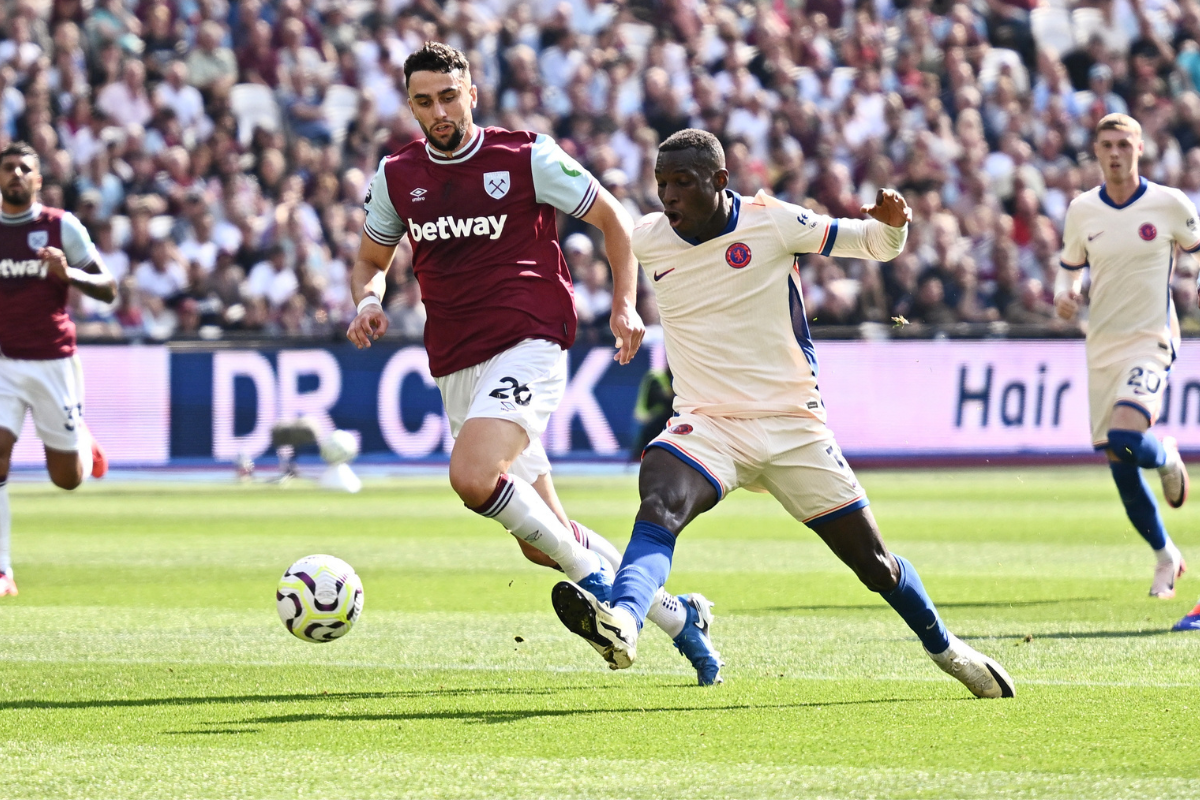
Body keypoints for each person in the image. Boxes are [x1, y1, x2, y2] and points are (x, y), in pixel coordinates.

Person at [551, 129, 1015, 699]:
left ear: (720, 182)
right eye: (661, 184)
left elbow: (875, 244)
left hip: (793, 426)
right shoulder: (649, 236)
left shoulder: (773, 222)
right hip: (710, 423)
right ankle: (623, 621)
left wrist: (894, 224)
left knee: (875, 565)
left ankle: (950, 652)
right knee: (659, 500)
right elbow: (612, 233)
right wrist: (621, 304)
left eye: (682, 184)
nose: (668, 196)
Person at [345, 43, 723, 684]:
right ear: (410, 105)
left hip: (530, 340)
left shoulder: (525, 157)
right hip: (456, 363)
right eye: (423, 101)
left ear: (471, 92)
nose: (438, 112)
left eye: (448, 96)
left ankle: (606, 589)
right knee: (542, 538)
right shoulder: (395, 176)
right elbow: (371, 260)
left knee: (471, 476)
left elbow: (615, 219)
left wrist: (626, 306)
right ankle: (680, 620)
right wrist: (367, 299)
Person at [1053, 114, 1192, 605]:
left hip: (1151, 338)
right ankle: (1165, 555)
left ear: (1139, 149)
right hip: (1103, 346)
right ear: (1096, 150)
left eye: (1124, 145)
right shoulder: (1082, 211)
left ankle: (1169, 456)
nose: (1115, 153)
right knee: (1119, 460)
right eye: (1107, 145)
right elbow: (1069, 269)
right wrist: (1066, 295)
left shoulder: (1168, 204)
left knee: (1127, 438)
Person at [0, 141, 114, 597]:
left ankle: (82, 442)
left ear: (38, 180)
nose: (15, 175)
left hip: (53, 362)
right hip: (4, 362)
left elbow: (108, 288)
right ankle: (3, 570)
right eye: (7, 168)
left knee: (66, 480)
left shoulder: (60, 226)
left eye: (23, 169)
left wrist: (72, 276)